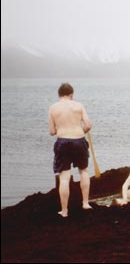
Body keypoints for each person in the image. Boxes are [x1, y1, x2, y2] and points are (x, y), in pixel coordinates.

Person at [48, 82, 93, 218]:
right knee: (84, 171)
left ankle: (64, 211)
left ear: (59, 95)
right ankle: (85, 203)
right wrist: (81, 131)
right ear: (71, 94)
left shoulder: (53, 108)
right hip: (79, 139)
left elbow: (51, 131)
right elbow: (89, 125)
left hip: (63, 141)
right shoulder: (78, 106)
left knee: (64, 177)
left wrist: (60, 129)